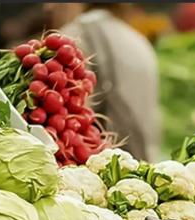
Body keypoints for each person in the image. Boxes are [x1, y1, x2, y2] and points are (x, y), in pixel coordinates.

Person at [43, 3, 161, 162]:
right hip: (140, 165)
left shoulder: (76, 38)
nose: (48, 7)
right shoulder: (136, 39)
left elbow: (66, 129)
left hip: (106, 171)